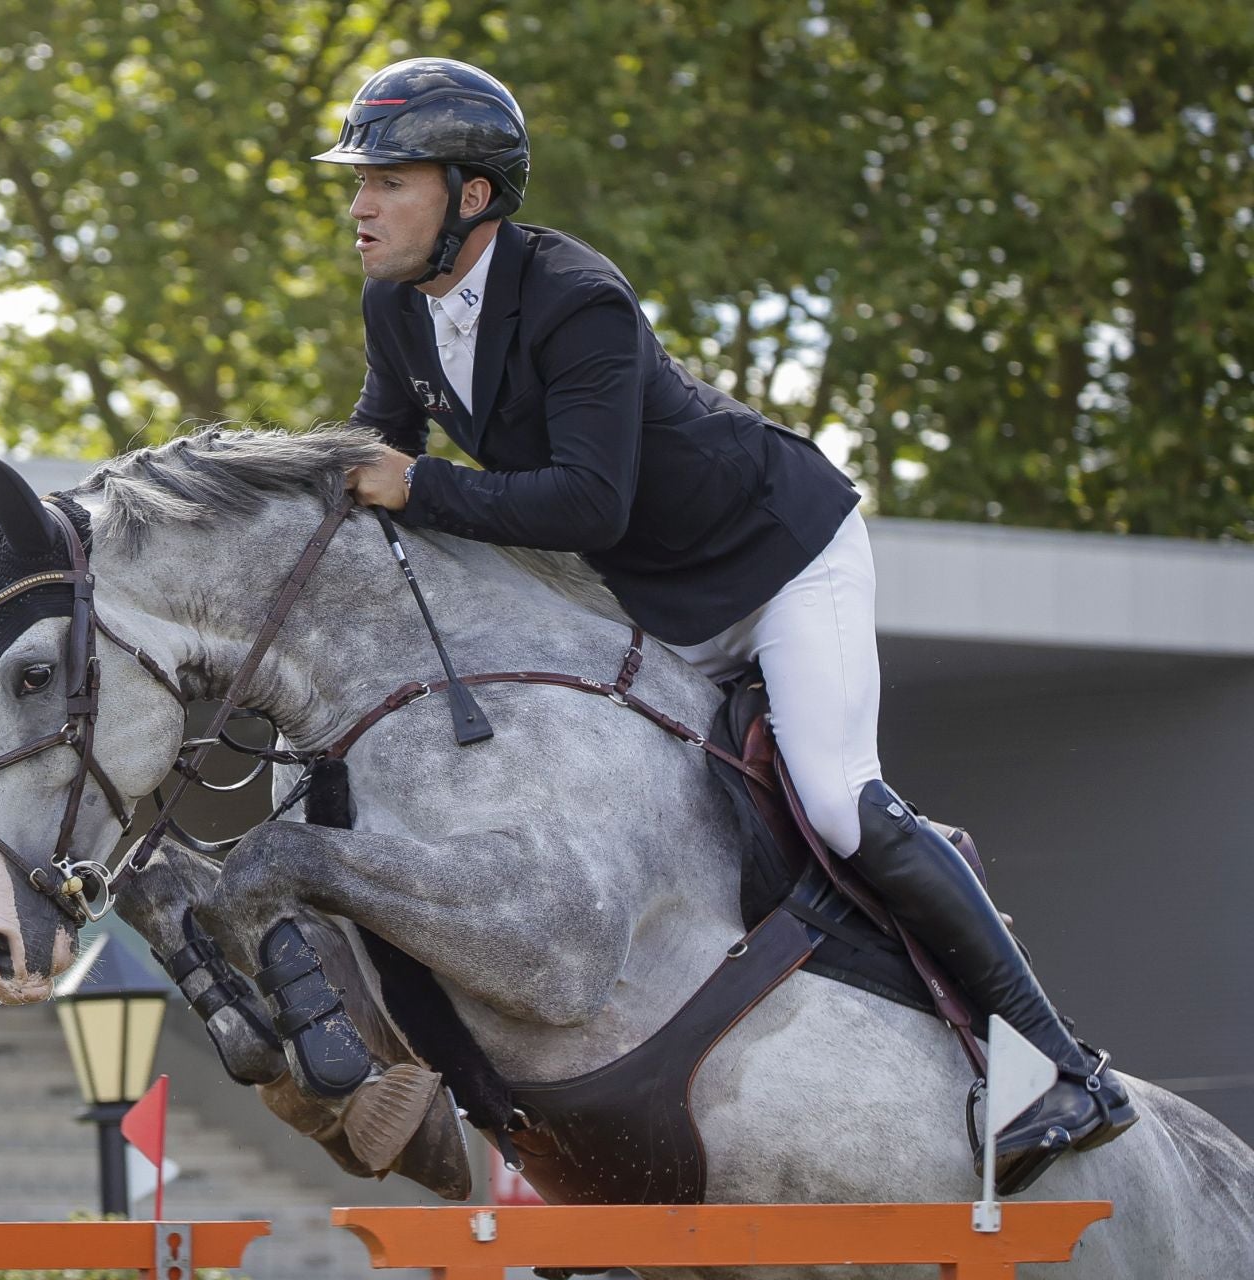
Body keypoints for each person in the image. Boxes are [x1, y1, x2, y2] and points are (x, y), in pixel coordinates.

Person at [319, 56, 1133, 1189]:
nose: (358, 206)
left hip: (780, 558)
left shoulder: (575, 296)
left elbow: (582, 498)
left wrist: (416, 488)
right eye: (357, 182)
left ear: (472, 194)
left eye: (387, 180)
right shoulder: (396, 307)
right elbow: (377, 446)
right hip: (659, 597)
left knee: (841, 803)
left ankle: (1061, 1065)